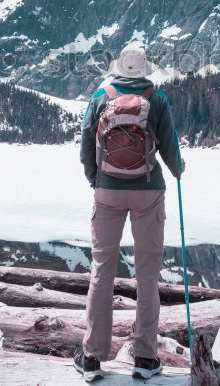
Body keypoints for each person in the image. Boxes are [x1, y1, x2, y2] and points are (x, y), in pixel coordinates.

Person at [73, 42, 184, 382]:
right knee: (148, 275)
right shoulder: (158, 99)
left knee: (102, 271)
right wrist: (177, 169)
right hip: (149, 191)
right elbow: (170, 146)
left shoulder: (99, 96)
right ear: (145, 69)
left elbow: (85, 148)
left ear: (118, 68)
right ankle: (146, 358)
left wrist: (98, 180)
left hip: (107, 192)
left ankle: (92, 357)